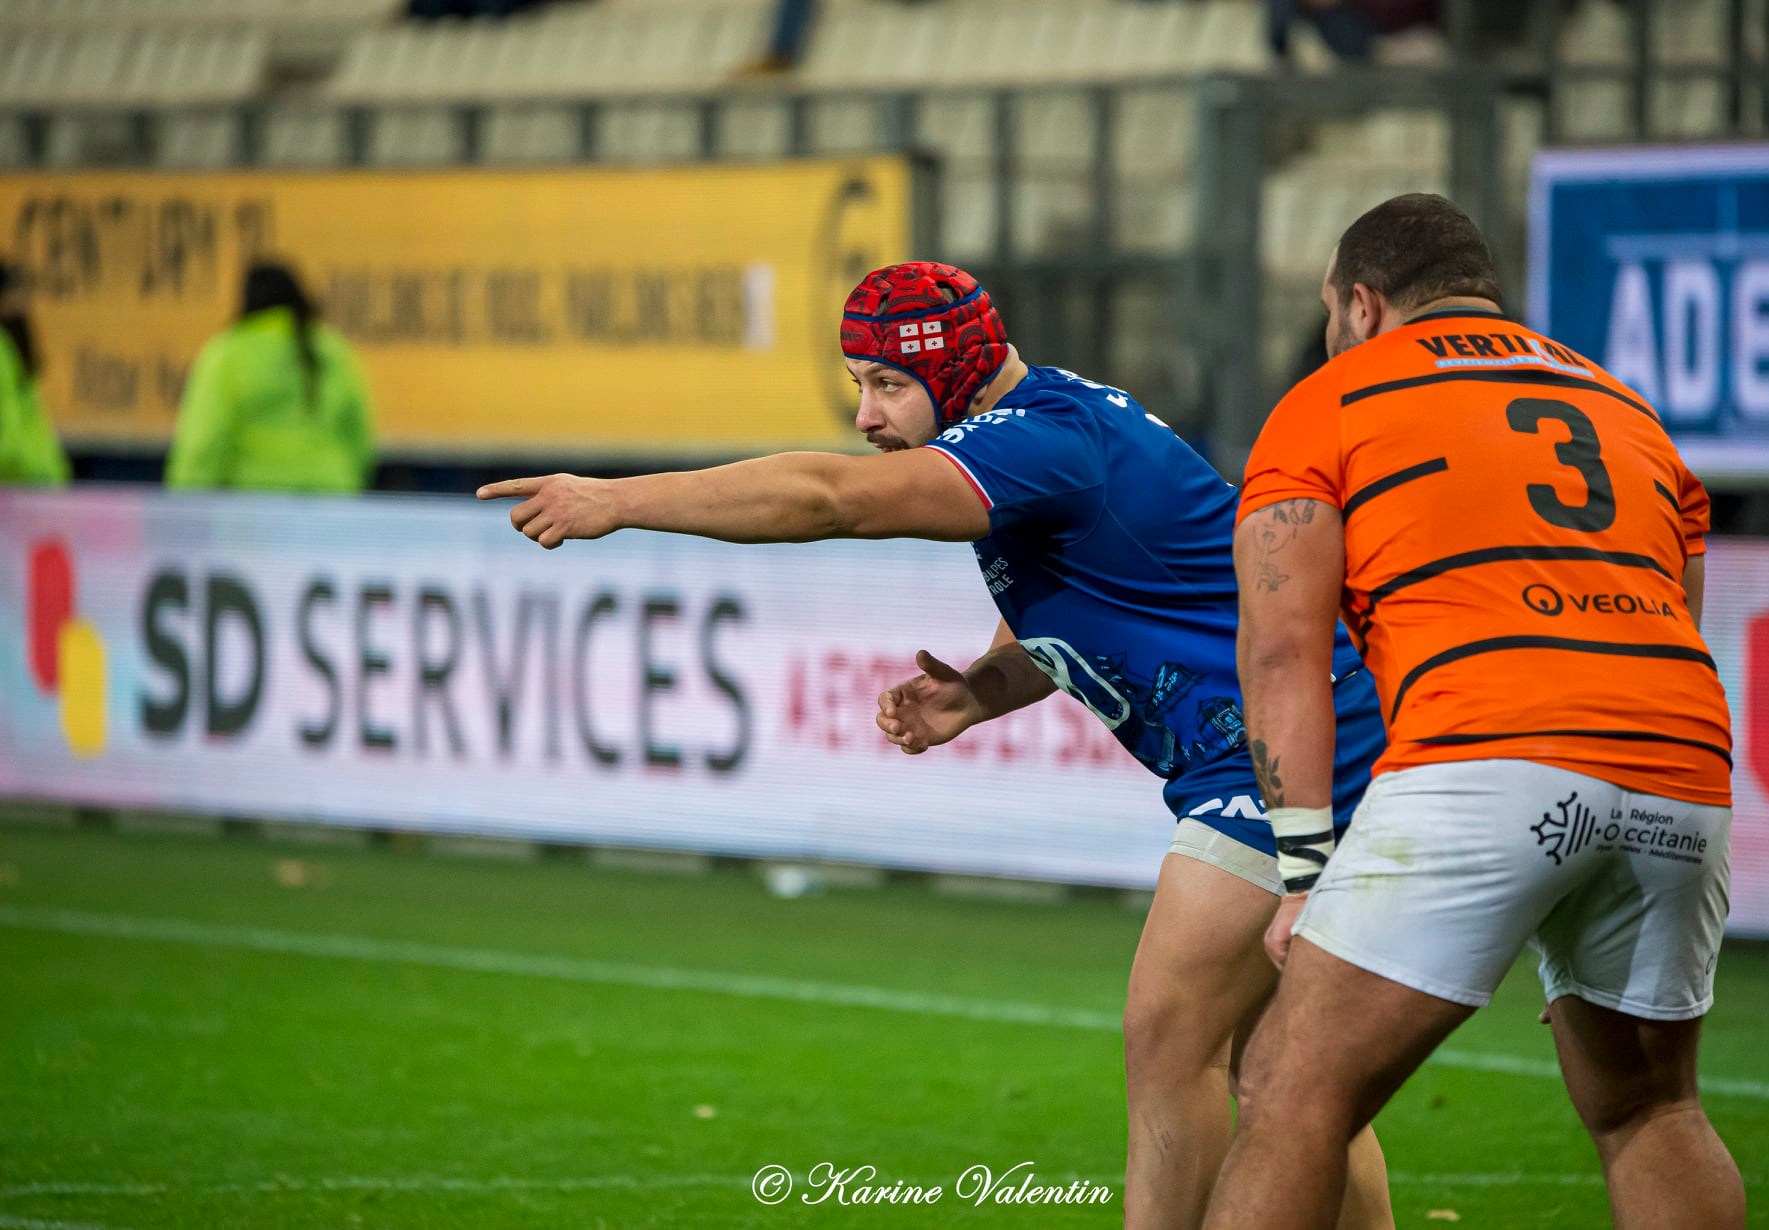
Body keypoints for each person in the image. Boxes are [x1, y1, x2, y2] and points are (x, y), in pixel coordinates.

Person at [479, 261, 1395, 1230]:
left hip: (1285, 753)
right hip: (1322, 736)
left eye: (886, 384)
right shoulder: (1052, 428)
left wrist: (617, 501)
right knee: (1284, 1069)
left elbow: (832, 500)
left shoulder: (1039, 440)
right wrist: (984, 690)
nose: (867, 418)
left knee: (1172, 1040)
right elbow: (1114, 595)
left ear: (958, 372)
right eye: (857, 386)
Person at [1210, 195, 1741, 1230]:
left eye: (1330, 312)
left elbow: (1281, 648)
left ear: (1361, 303)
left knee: (1291, 1087)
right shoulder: (1626, 408)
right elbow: (1679, 620)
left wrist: (1305, 873)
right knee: (1652, 1106)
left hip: (1489, 751)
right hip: (1682, 761)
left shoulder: (1331, 400)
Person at [166, 261, 376, 494]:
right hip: (332, 501)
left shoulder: (228, 353)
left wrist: (186, 499)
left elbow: (204, 440)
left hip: (253, 508)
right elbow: (359, 436)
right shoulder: (333, 350)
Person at [0, 260, 72, 486]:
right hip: (18, 484)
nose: (24, 300)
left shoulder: (10, 347)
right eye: (15, 288)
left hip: (31, 484)